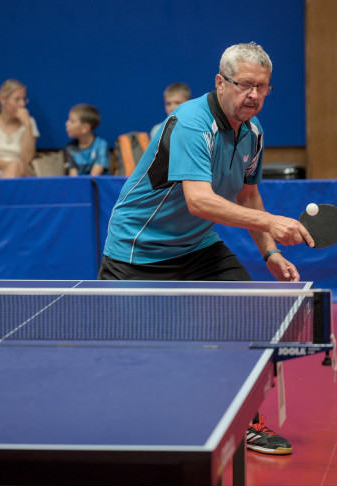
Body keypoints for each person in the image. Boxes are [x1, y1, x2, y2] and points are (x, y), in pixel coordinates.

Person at [98, 42, 314, 455]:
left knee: (247, 319)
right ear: (220, 82)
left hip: (198, 245)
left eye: (263, 87)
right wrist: (271, 223)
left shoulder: (253, 132)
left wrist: (270, 253)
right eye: (245, 84)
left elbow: (248, 195)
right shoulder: (191, 123)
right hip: (138, 252)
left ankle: (247, 422)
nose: (253, 95)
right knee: (130, 357)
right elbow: (199, 201)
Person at [0, 79, 40, 178]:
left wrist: (27, 126)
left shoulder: (30, 122)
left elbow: (26, 159)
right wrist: (12, 165)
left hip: (24, 173)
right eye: (17, 99)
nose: (22, 104)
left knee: (16, 166)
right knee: (13, 167)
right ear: (3, 100)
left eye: (24, 99)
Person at [64, 104, 110, 176]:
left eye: (72, 121)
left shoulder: (101, 145)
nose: (67, 123)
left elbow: (93, 177)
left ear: (85, 128)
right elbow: (73, 178)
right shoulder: (70, 147)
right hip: (79, 183)